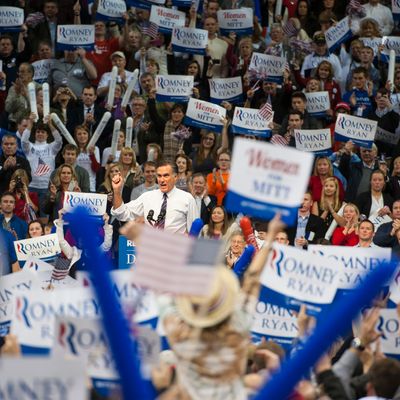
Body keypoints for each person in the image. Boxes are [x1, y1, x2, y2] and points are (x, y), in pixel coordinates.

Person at [111, 161, 198, 234]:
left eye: (166, 175)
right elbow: (121, 213)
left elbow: (195, 231)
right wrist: (117, 191)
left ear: (175, 177)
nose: (162, 180)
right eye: (159, 176)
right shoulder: (147, 197)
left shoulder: (187, 199)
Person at [22, 119, 63, 215]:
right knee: (30, 216)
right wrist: (30, 124)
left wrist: (50, 124)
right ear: (35, 134)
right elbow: (23, 140)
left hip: (46, 188)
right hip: (31, 187)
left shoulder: (51, 148)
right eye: (38, 132)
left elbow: (59, 140)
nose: (40, 134)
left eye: (43, 132)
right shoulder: (29, 147)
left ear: (47, 135)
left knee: (45, 217)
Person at [74, 125, 101, 192]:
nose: (82, 136)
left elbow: (96, 169)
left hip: (90, 185)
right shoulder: (74, 149)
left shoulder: (95, 149)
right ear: (76, 136)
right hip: (75, 185)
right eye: (79, 134)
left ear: (88, 135)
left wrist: (92, 155)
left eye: (84, 133)